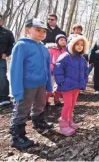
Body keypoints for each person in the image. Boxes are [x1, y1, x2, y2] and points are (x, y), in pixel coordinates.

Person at [9, 18, 53, 149]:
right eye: (38, 30)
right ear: (27, 30)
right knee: (22, 108)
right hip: (26, 85)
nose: (41, 33)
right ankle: (18, 136)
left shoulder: (44, 49)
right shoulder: (21, 45)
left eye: (44, 31)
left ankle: (38, 121)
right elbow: (15, 69)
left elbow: (47, 68)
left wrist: (48, 84)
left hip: (41, 83)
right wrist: (16, 91)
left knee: (40, 103)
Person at [54, 36, 89, 136]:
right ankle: (64, 124)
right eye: (77, 44)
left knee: (73, 104)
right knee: (68, 104)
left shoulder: (82, 59)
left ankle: (69, 121)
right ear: (71, 44)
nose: (79, 46)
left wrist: (84, 81)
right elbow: (58, 69)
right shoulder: (65, 56)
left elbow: (85, 71)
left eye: (82, 45)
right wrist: (61, 82)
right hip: (67, 85)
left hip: (76, 85)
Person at [46, 34, 67, 106]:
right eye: (61, 40)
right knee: (49, 86)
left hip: (62, 72)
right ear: (57, 41)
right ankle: (45, 100)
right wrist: (51, 67)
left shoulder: (67, 51)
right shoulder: (52, 49)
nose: (63, 41)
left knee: (59, 86)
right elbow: (49, 59)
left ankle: (56, 100)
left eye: (64, 40)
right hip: (53, 70)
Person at [0, 14, 15, 106]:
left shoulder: (7, 33)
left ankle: (4, 98)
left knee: (2, 77)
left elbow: (12, 45)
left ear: (1, 21)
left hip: (1, 58)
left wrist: (6, 53)